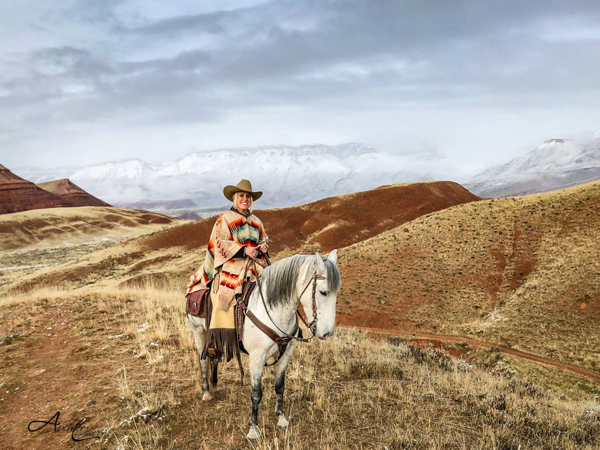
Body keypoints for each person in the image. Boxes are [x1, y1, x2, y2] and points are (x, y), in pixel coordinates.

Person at [187, 179, 269, 360]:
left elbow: (262, 240)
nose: (245, 199)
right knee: (222, 296)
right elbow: (219, 243)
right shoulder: (224, 219)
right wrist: (243, 249)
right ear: (234, 198)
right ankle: (215, 343)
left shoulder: (256, 221)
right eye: (241, 196)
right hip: (230, 265)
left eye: (248, 196)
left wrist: (263, 249)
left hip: (254, 267)